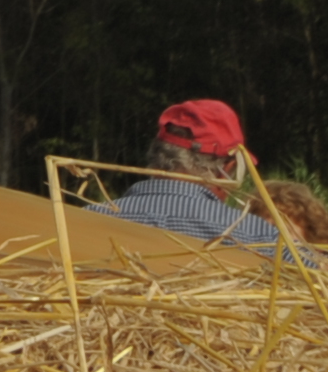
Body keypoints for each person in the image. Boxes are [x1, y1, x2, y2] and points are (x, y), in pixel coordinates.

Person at [105, 99, 308, 255]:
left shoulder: (88, 219)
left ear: (156, 155)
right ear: (225, 170)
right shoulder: (256, 236)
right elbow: (325, 280)